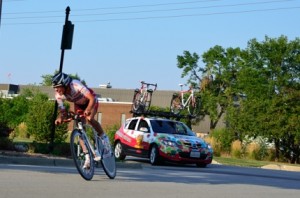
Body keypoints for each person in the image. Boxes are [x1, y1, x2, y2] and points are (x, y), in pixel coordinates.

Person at [52, 72, 108, 168]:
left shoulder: (75, 84)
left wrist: (88, 109)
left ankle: (104, 139)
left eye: (58, 87)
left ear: (65, 84)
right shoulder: (58, 95)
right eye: (54, 87)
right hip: (79, 105)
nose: (56, 89)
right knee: (79, 128)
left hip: (90, 101)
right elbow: (63, 111)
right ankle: (87, 157)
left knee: (89, 119)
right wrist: (60, 118)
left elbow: (91, 98)